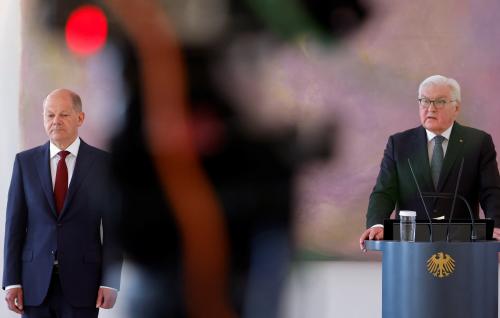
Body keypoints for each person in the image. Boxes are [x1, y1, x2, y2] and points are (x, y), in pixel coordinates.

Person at [3, 89, 122, 317]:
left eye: (64, 115)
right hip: (33, 284)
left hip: (84, 283)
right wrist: (11, 281)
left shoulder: (103, 164)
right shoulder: (25, 163)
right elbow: (14, 226)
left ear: (80, 118)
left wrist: (110, 282)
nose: (56, 121)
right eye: (50, 115)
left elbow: (114, 228)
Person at [359, 75, 500, 250]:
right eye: (425, 101)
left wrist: (496, 225)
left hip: (463, 246)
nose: (431, 108)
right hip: (410, 247)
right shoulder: (399, 144)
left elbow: (491, 192)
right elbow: (384, 192)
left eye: (439, 102)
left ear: (456, 107)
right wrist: (377, 225)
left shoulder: (478, 142)